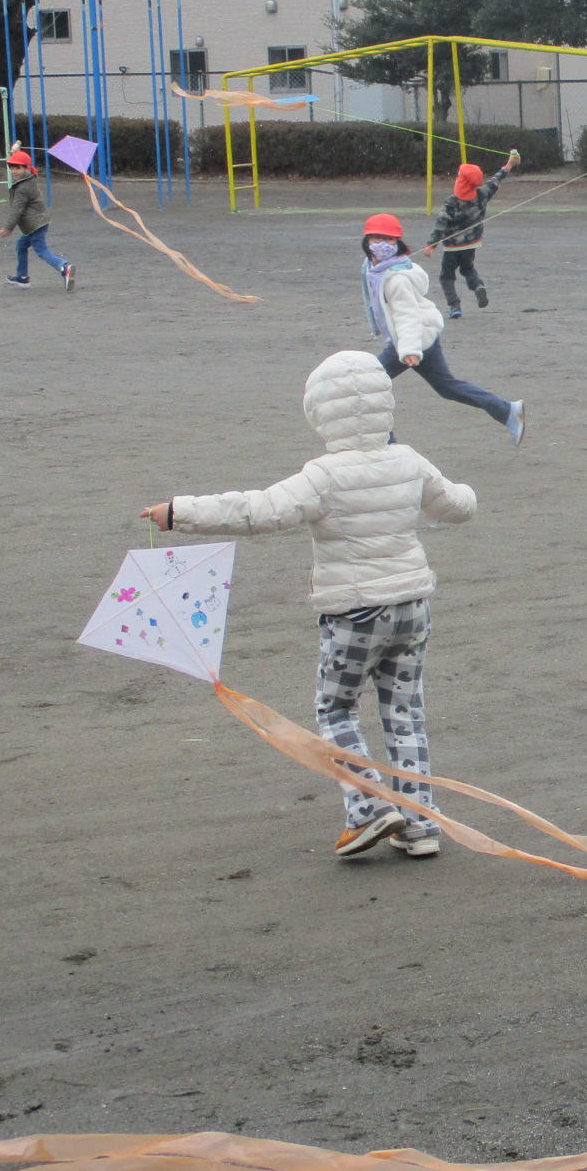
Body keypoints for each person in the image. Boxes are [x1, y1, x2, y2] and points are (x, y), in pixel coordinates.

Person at [139, 350, 476, 859]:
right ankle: (419, 823)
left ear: (319, 413)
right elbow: (456, 506)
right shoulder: (410, 461)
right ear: (386, 406)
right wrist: (468, 491)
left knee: (336, 707)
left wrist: (179, 512)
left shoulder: (325, 474)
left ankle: (368, 805)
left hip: (354, 614)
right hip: (412, 606)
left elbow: (259, 510)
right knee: (404, 711)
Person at [361, 213, 525, 445]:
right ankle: (507, 410)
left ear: (398, 244)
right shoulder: (372, 266)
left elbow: (407, 314)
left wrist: (410, 349)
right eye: (377, 238)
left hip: (414, 339)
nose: (383, 245)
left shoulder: (397, 278)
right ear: (367, 241)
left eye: (389, 240)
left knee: (369, 385)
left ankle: (388, 444)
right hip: (421, 336)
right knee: (446, 387)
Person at [424, 150, 518, 320]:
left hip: (452, 247)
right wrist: (510, 164)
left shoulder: (451, 202)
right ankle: (478, 287)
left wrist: (431, 245)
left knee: (446, 276)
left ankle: (454, 306)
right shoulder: (482, 194)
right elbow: (496, 180)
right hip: (472, 244)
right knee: (468, 269)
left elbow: (440, 225)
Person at [0, 148, 73, 290]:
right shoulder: (30, 176)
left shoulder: (22, 188)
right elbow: (26, 163)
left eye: (17, 168)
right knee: (21, 245)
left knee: (41, 250)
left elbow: (16, 209)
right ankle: (23, 278)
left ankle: (64, 267)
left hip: (35, 224)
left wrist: (7, 228)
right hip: (37, 222)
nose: (14, 171)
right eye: (12, 168)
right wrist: (16, 152)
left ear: (26, 168)